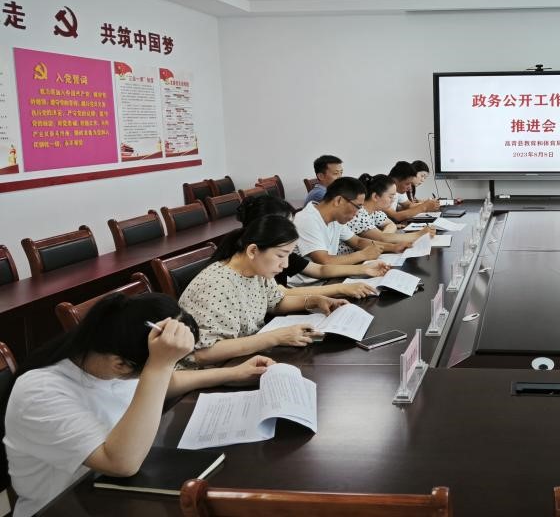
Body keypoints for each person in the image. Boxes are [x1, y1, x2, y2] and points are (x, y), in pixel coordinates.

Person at [3, 293, 273, 517]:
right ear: (121, 365)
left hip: (119, 494)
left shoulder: (109, 354)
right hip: (66, 505)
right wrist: (159, 366)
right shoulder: (40, 392)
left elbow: (161, 383)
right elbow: (121, 463)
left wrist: (232, 373)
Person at [178, 215, 349, 367]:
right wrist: (276, 337)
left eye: (288, 255)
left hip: (243, 359)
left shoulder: (257, 270)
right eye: (281, 255)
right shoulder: (217, 285)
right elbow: (205, 354)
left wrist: (314, 300)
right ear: (253, 251)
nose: (285, 264)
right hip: (213, 372)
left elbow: (275, 302)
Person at [235, 196, 387, 294]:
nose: (292, 230)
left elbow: (320, 269)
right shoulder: (258, 256)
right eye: (287, 225)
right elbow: (283, 294)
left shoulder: (280, 251)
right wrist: (339, 288)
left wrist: (364, 269)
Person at [293, 177, 394, 268]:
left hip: (329, 274)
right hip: (311, 281)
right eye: (358, 207)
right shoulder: (307, 219)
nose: (358, 213)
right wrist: (363, 255)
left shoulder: (336, 218)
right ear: (339, 200)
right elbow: (324, 261)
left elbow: (357, 241)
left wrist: (394, 247)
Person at [340, 173, 434, 254]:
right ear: (375, 196)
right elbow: (381, 238)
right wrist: (419, 235)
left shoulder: (375, 211)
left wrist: (384, 237)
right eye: (390, 196)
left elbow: (390, 225)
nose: (393, 200)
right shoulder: (358, 213)